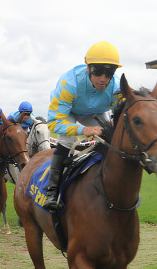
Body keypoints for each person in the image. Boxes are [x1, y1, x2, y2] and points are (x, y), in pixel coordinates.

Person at [42, 41, 123, 212]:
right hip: (69, 110)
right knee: (67, 139)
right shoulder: (68, 83)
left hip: (97, 112)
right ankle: (52, 192)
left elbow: (120, 117)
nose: (103, 78)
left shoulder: (116, 87)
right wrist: (82, 130)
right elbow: (54, 124)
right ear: (88, 68)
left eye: (109, 73)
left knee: (113, 138)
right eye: (98, 72)